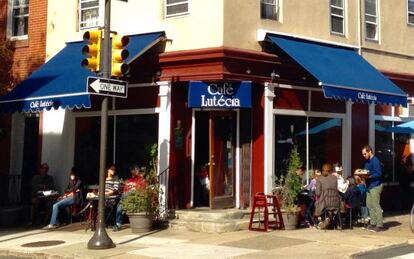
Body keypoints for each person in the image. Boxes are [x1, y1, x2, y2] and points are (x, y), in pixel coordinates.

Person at [358, 145, 384, 232]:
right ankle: (373, 223)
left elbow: (379, 173)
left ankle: (379, 225)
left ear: (370, 151)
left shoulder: (375, 161)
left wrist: (369, 176)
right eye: (363, 154)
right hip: (369, 186)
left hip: (376, 185)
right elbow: (366, 170)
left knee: (376, 205)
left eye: (365, 154)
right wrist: (361, 173)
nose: (364, 155)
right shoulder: (367, 161)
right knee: (369, 205)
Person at [114, 165, 146, 231]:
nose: (137, 171)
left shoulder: (141, 180)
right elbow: (125, 190)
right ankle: (118, 224)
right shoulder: (129, 180)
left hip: (135, 198)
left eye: (137, 169)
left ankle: (121, 199)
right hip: (126, 198)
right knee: (119, 206)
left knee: (124, 196)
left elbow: (142, 191)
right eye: (135, 169)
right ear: (131, 171)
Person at [314, 163, 341, 229]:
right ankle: (329, 218)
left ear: (323, 170)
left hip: (325, 203)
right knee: (320, 203)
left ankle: (320, 222)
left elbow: (317, 193)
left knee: (316, 204)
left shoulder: (320, 179)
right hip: (336, 202)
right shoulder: (335, 178)